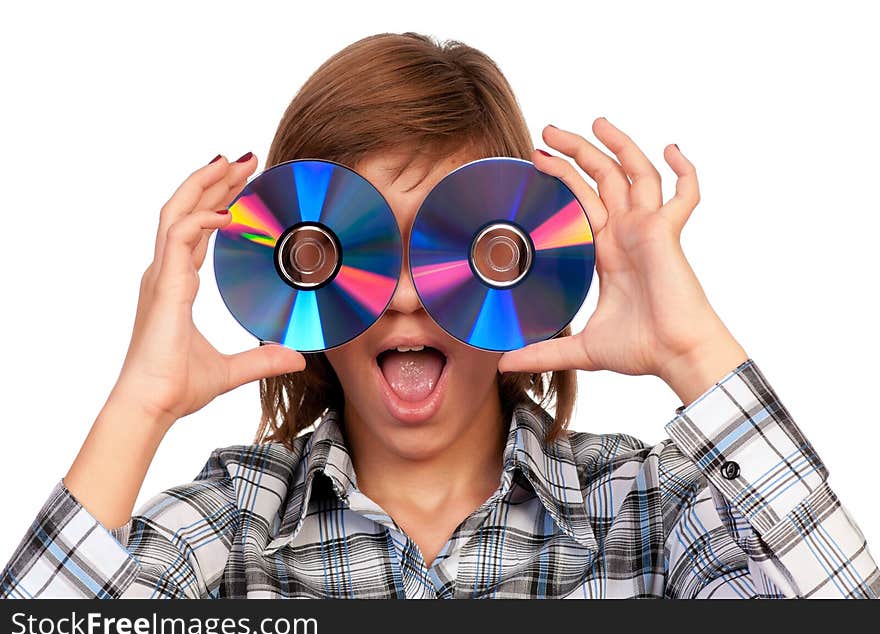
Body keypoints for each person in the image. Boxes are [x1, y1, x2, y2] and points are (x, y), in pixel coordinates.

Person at [2, 32, 877, 599]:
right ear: (293, 275)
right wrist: (140, 401)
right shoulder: (232, 526)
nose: (410, 294)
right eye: (357, 249)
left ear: (524, 260)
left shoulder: (649, 510)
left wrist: (694, 350)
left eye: (459, 250)